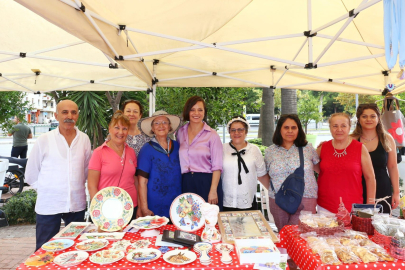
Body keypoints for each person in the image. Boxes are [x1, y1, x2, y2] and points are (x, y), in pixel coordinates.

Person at [25, 100, 91, 251]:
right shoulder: (44, 140)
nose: (69, 116)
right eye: (65, 112)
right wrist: (47, 191)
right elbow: (31, 174)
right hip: (49, 205)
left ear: (78, 116)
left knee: (76, 250)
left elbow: (86, 170)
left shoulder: (84, 139)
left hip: (77, 204)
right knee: (44, 252)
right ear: (56, 115)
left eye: (73, 112)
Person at [264, 114, 320, 231]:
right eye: (286, 127)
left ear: (299, 130)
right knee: (284, 234)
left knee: (302, 235)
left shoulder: (308, 148)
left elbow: (319, 170)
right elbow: (267, 174)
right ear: (279, 129)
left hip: (306, 197)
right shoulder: (270, 151)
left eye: (293, 128)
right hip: (279, 199)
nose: (290, 131)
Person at [317, 113, 376, 214]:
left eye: (343, 126)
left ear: (349, 127)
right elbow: (313, 167)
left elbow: (370, 178)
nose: (339, 129)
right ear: (330, 128)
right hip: (325, 208)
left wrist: (370, 206)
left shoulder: (360, 148)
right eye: (335, 126)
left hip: (353, 208)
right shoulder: (322, 148)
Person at [88, 110, 139, 220]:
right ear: (110, 129)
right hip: (107, 209)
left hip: (130, 208)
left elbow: (135, 180)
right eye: (117, 128)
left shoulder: (131, 152)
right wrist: (98, 210)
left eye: (124, 129)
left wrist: (139, 205)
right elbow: (92, 186)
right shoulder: (99, 152)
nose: (121, 132)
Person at [177, 96, 224, 210]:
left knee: (209, 221)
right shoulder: (180, 132)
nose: (196, 113)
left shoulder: (212, 135)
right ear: (187, 111)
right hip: (186, 182)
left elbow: (217, 166)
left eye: (200, 110)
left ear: (204, 112)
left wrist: (213, 190)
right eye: (192, 109)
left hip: (207, 182)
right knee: (189, 219)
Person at [351, 104, 399, 212]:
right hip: (357, 189)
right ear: (358, 119)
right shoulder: (351, 139)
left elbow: (392, 167)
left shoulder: (387, 138)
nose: (369, 119)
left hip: (382, 189)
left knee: (381, 226)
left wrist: (396, 192)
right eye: (364, 116)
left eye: (372, 116)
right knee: (357, 226)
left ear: (378, 118)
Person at [136, 111, 182, 218]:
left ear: (169, 126)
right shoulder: (146, 149)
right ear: (152, 128)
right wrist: (144, 208)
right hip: (154, 205)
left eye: (164, 122)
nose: (161, 126)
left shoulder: (178, 146)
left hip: (177, 204)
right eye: (156, 123)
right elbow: (142, 182)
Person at [222, 116, 270, 211]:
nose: (236, 133)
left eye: (240, 130)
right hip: (226, 201)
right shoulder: (222, 148)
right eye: (233, 130)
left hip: (248, 202)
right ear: (229, 132)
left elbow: (262, 175)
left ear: (246, 131)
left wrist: (275, 193)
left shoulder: (254, 150)